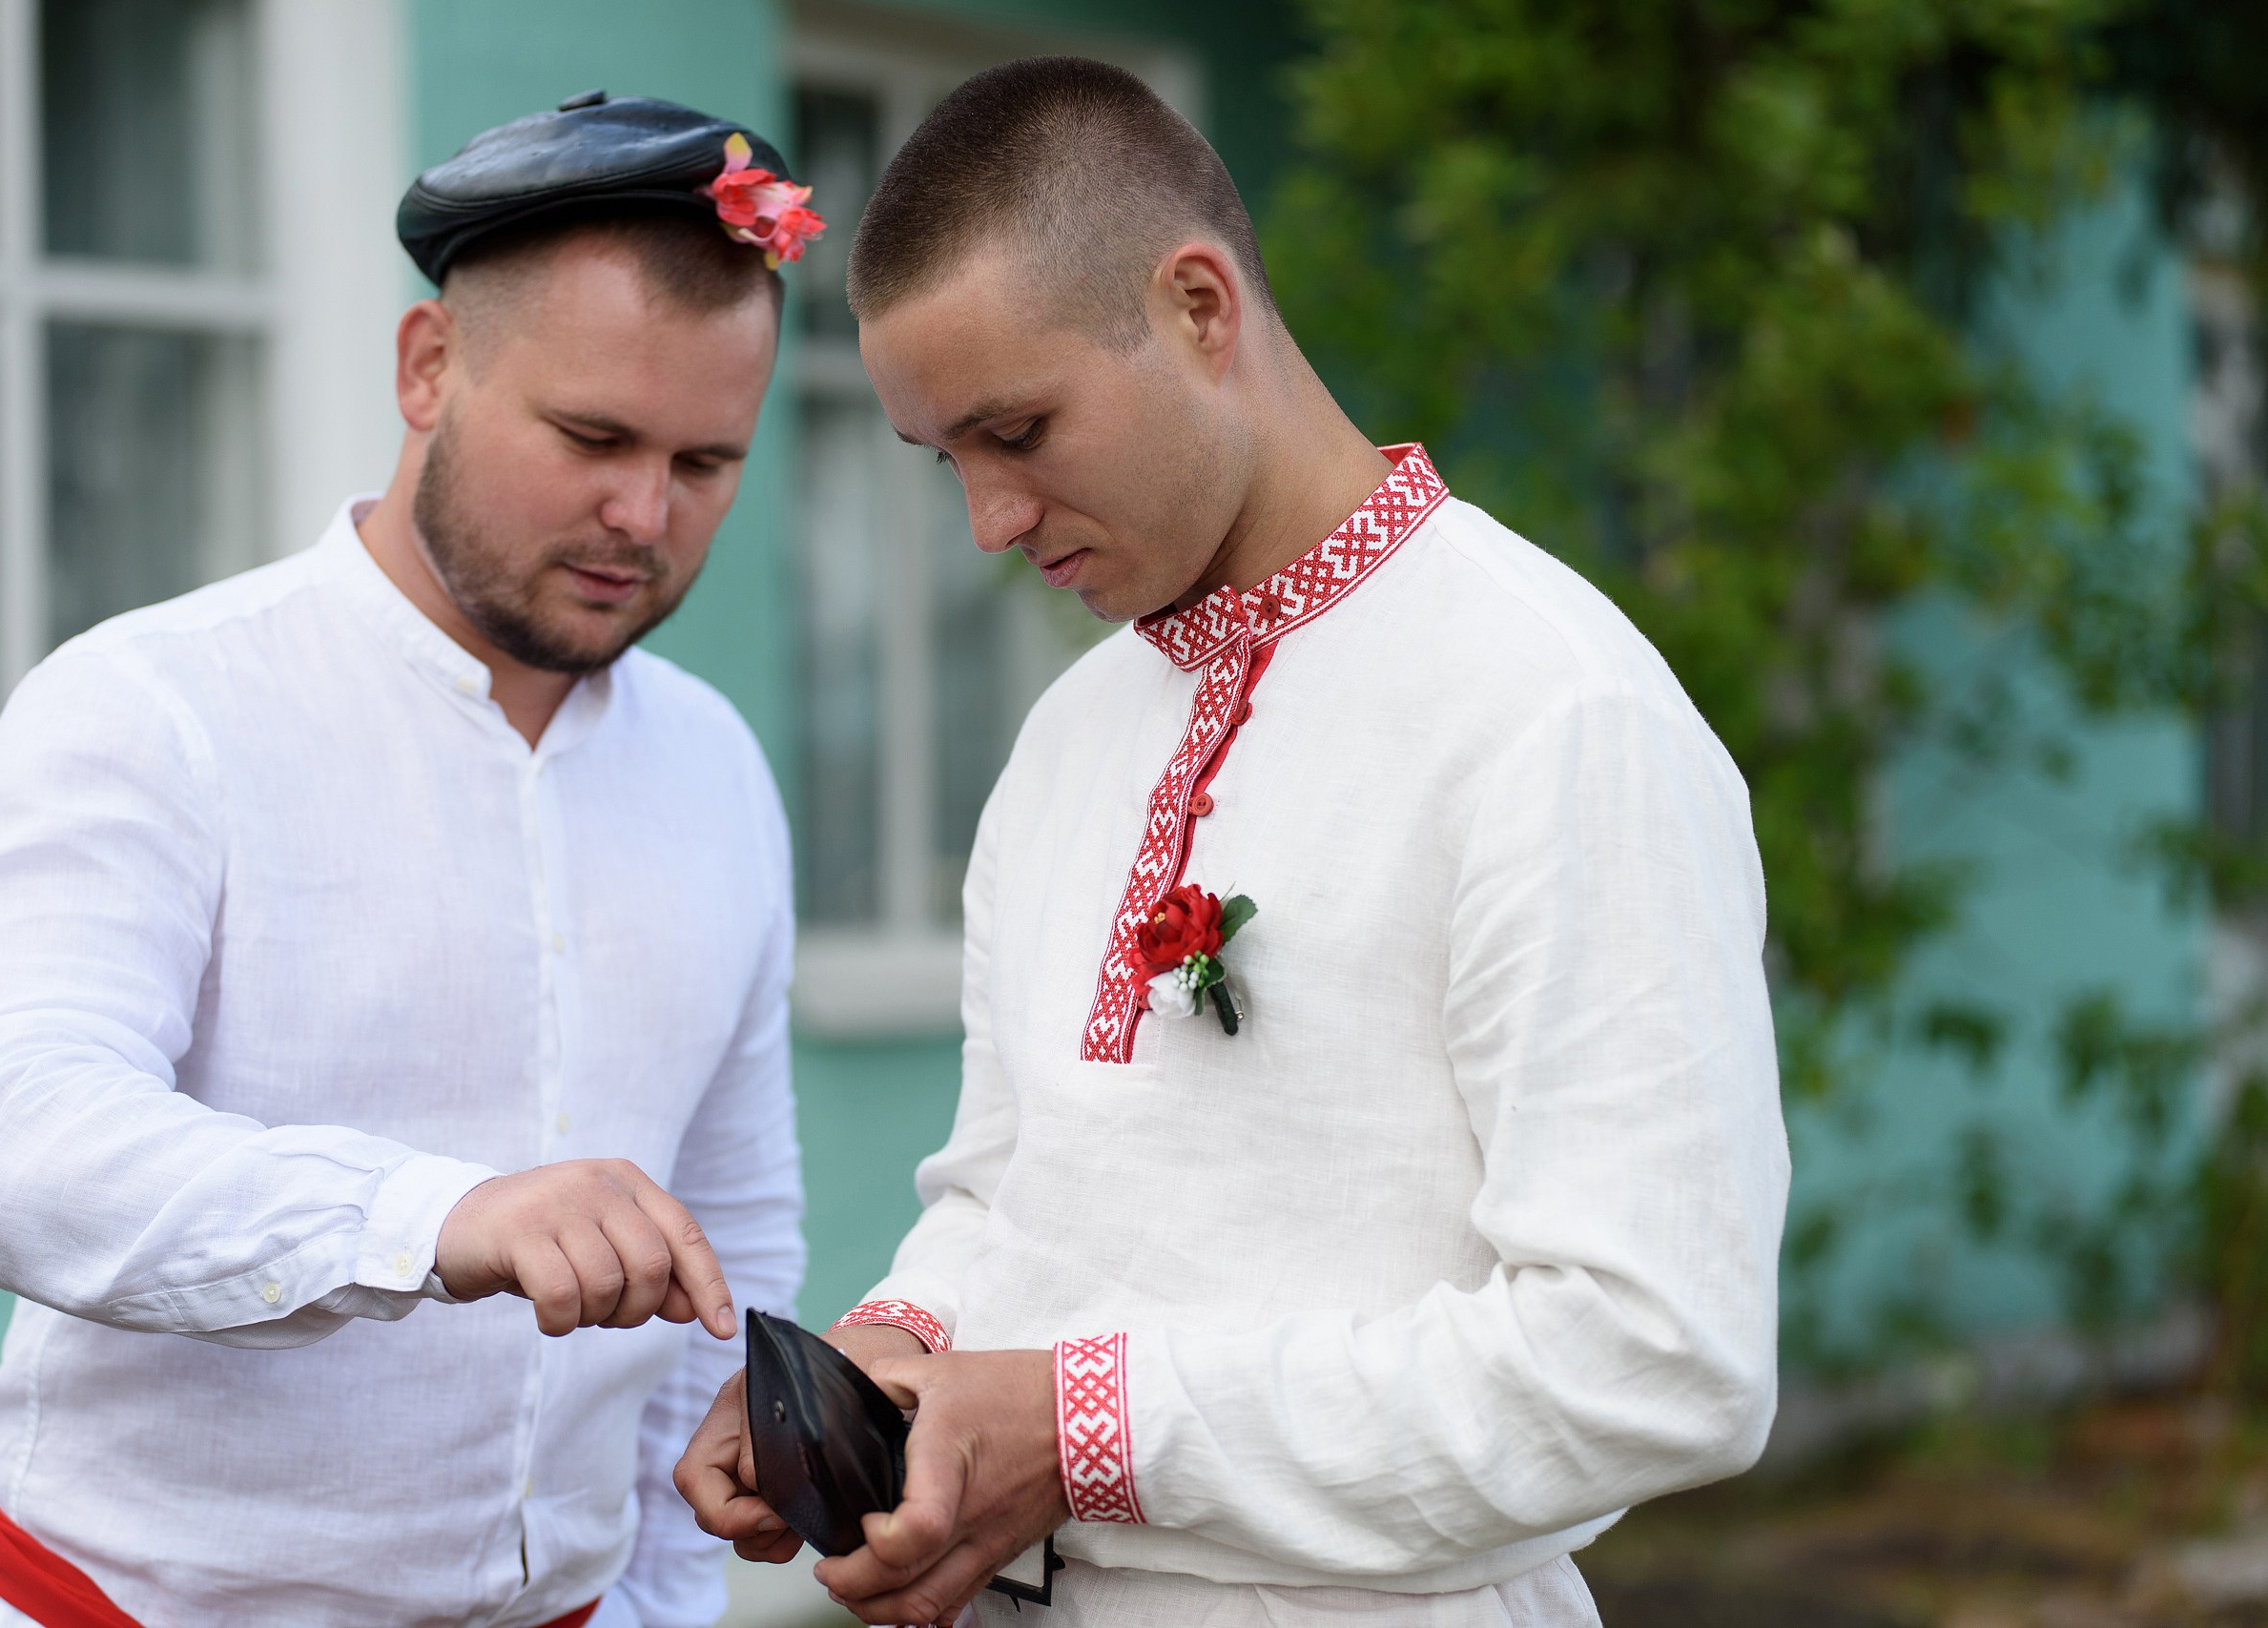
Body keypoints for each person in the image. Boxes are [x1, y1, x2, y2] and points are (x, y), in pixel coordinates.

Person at [676, 56, 1788, 1628]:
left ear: (1200, 307)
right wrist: (890, 1365)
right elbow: (1012, 1190)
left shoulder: (1553, 711)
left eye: (1020, 429)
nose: (988, 520)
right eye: (949, 462)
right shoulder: (1071, 736)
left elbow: (1655, 1358)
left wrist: (1082, 1433)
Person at [0, 94, 823, 1628]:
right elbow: (13, 1143)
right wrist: (430, 1220)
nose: (642, 513)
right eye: (592, 437)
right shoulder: (153, 705)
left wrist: (666, 1609)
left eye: (706, 461)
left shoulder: (718, 768)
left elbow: (732, 1248)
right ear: (427, 369)